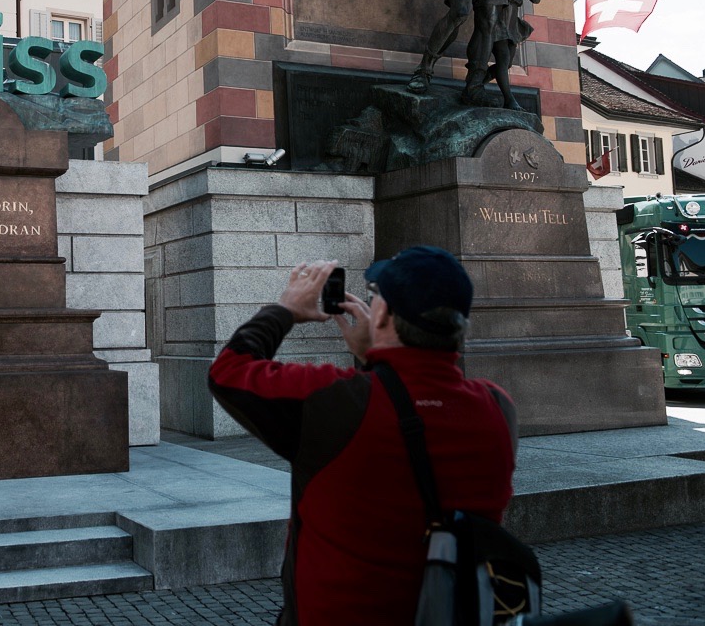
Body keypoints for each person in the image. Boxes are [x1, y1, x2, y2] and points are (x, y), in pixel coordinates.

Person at [208, 246, 517, 626]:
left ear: (383, 314)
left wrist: (285, 309)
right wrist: (379, 358)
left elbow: (228, 372)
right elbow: (417, 406)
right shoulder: (498, 409)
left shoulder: (337, 403)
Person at [485, 0, 543, 110]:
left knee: (508, 62)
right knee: (503, 57)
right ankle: (509, 99)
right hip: (498, 15)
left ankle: (477, 81)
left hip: (512, 20)